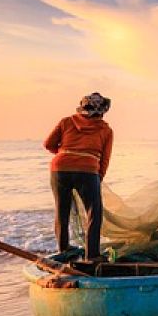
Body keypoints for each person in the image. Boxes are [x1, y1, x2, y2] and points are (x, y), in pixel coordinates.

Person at [43, 92, 113, 261]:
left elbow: (48, 144)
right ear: (102, 110)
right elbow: (105, 158)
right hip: (88, 171)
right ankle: (92, 255)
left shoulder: (66, 122)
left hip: (59, 169)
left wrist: (65, 154)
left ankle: (64, 249)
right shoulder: (105, 129)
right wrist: (98, 176)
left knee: (62, 211)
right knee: (94, 212)